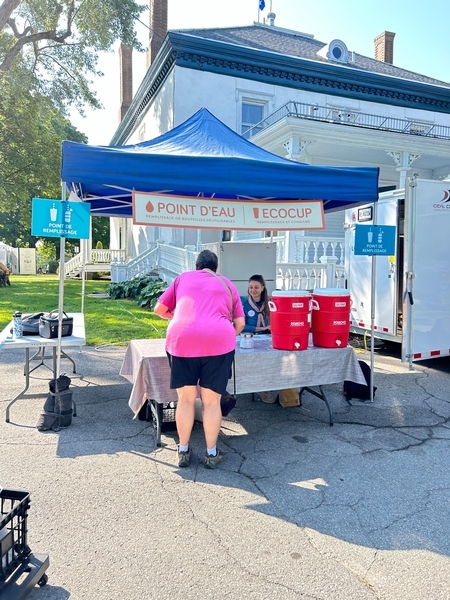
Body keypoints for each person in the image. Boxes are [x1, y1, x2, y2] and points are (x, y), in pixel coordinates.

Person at [154, 249, 245, 469]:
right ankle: (211, 453)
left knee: (185, 399)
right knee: (211, 401)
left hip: (182, 339)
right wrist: (221, 336)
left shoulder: (182, 278)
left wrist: (176, 317)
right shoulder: (226, 284)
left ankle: (183, 450)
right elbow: (240, 323)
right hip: (218, 344)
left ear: (196, 266)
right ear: (215, 269)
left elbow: (159, 309)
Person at [242, 274, 299, 406]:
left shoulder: (270, 304)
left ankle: (280, 387)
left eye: (256, 287)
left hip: (269, 338)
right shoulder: (244, 304)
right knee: (259, 360)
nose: (253, 290)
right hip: (250, 339)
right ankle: (263, 389)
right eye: (251, 287)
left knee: (280, 358)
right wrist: (260, 328)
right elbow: (241, 325)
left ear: (262, 288)